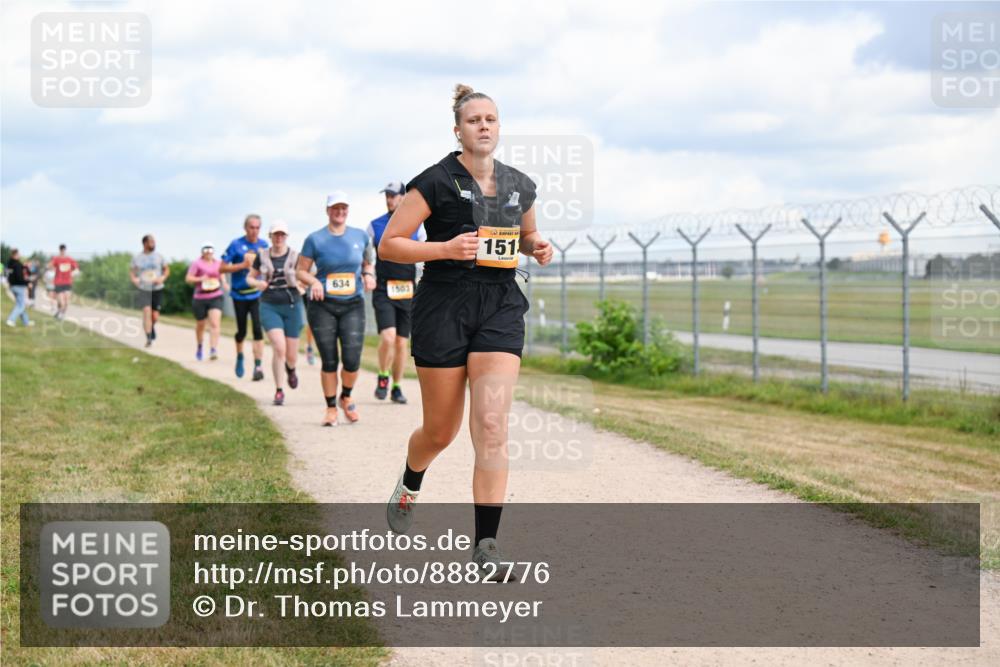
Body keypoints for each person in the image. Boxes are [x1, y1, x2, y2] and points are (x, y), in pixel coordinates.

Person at [378, 84, 553, 577]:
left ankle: (486, 547)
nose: (484, 126)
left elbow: (526, 234)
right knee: (441, 431)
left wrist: (538, 246)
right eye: (474, 120)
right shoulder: (433, 181)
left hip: (500, 306)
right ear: (458, 130)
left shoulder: (520, 184)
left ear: (499, 128)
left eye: (491, 119)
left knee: (493, 426)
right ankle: (411, 479)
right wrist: (445, 249)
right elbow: (391, 245)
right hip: (442, 306)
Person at [296, 191, 376, 426]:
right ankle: (331, 408)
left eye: (343, 208)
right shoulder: (315, 239)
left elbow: (367, 262)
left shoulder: (360, 236)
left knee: (352, 359)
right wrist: (313, 282)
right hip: (323, 305)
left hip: (353, 303)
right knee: (329, 360)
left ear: (348, 210)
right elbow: (301, 270)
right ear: (328, 210)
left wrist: (369, 275)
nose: (339, 212)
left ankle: (346, 397)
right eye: (335, 208)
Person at [367, 181, 426, 404]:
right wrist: (368, 274)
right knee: (388, 337)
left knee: (402, 343)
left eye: (394, 195)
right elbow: (367, 257)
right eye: (388, 196)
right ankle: (383, 375)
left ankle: (397, 386)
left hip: (407, 289)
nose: (390, 199)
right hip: (383, 288)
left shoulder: (416, 227)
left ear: (403, 197)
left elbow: (423, 257)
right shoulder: (374, 226)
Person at [249, 220, 303, 406]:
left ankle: (291, 368)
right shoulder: (261, 255)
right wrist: (258, 284)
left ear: (286, 237)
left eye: (282, 235)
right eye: (275, 235)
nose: (279, 238)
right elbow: (250, 277)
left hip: (292, 306)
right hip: (269, 305)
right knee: (279, 348)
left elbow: (308, 275)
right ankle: (279, 390)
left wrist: (302, 286)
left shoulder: (296, 256)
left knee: (291, 355)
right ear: (270, 237)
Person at [220, 215, 269, 380]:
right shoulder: (236, 244)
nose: (254, 231)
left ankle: (258, 366)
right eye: (251, 227)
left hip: (256, 294)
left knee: (257, 329)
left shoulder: (263, 245)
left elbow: (269, 268)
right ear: (245, 228)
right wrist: (242, 265)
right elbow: (221, 268)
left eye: (257, 227)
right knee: (242, 331)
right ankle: (240, 357)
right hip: (239, 295)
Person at [186, 242, 225, 361]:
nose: (208, 252)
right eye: (206, 250)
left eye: (210, 250)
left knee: (215, 323)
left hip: (215, 295)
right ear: (202, 252)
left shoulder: (218, 263)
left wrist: (225, 283)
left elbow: (222, 274)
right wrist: (200, 278)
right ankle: (199, 346)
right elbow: (188, 278)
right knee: (201, 324)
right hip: (200, 297)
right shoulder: (196, 263)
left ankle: (213, 349)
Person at [129, 234, 170, 347]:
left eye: (154, 242)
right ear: (145, 243)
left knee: (154, 315)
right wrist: (134, 279)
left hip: (157, 288)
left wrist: (162, 278)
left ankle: (151, 327)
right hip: (144, 288)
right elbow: (132, 271)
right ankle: (148, 339)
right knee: (147, 311)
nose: (153, 244)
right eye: (151, 242)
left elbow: (166, 270)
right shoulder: (137, 258)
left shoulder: (159, 256)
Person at [47, 244, 79, 320]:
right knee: (61, 302)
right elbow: (49, 266)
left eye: (64, 250)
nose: (63, 251)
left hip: (67, 283)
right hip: (58, 283)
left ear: (65, 250)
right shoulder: (56, 259)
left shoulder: (70, 259)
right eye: (61, 250)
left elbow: (76, 268)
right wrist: (51, 267)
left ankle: (61, 313)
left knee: (67, 302)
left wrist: (73, 273)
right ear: (60, 250)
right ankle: (60, 313)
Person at [5, 249, 34, 327]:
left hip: (12, 286)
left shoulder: (9, 264)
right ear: (15, 255)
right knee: (21, 305)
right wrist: (28, 283)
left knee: (20, 304)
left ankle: (26, 322)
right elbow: (19, 278)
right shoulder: (17, 265)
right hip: (18, 286)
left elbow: (8, 275)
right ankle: (10, 319)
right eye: (19, 254)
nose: (20, 255)